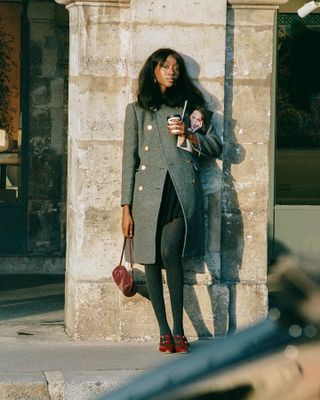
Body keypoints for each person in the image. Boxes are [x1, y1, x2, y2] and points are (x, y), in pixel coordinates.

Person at [121, 48, 222, 353]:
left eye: (176, 67)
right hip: (147, 195)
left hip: (180, 192)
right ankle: (164, 331)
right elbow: (130, 159)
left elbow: (216, 146)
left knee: (169, 252)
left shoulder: (193, 109)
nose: (171, 71)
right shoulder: (137, 110)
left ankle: (179, 330)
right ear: (153, 71)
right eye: (165, 66)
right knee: (151, 258)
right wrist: (125, 208)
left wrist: (190, 136)